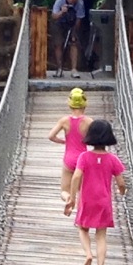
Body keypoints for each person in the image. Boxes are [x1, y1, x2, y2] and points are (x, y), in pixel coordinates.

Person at [72, 118, 127, 265]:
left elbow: (76, 177)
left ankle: (88, 254)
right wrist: (122, 191)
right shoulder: (112, 159)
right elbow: (121, 182)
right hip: (104, 201)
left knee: (82, 228)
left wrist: (72, 196)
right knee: (101, 235)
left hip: (87, 199)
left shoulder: (84, 157)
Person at [46, 86, 90, 215]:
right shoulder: (89, 122)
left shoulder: (64, 121)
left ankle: (68, 199)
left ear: (70, 104)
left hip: (69, 158)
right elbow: (96, 138)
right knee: (83, 190)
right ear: (84, 104)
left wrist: (64, 141)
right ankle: (82, 213)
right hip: (84, 159)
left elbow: (51, 136)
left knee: (64, 190)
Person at [50, 0, 89, 74]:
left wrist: (74, 32)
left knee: (74, 43)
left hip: (72, 23)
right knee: (58, 44)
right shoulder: (60, 1)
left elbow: (79, 18)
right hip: (59, 23)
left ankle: (74, 69)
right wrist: (62, 12)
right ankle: (59, 68)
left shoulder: (80, 3)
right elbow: (54, 16)